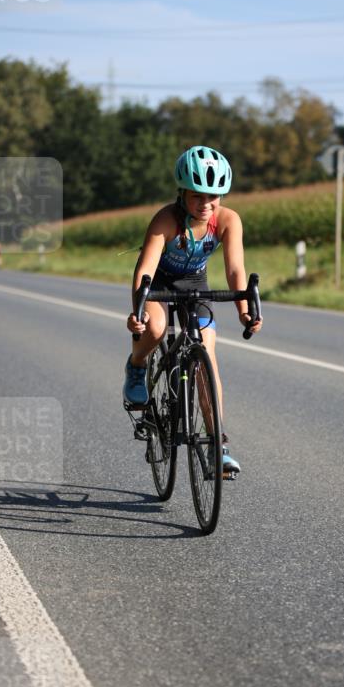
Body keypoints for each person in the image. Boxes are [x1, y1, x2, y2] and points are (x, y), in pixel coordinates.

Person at [123, 145, 262, 475]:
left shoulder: (228, 220)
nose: (206, 204)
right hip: (158, 282)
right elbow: (144, 270)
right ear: (182, 193)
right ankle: (137, 365)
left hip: (194, 283)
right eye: (197, 196)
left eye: (213, 196)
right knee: (156, 329)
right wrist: (139, 311)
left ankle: (217, 447)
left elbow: (235, 270)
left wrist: (244, 310)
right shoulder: (165, 220)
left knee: (205, 359)